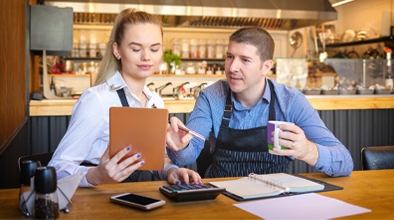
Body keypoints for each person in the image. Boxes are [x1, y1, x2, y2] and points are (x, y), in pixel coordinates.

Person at [167, 27, 353, 178]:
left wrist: (308, 151)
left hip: (275, 199)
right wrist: (180, 145)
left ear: (266, 66)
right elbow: (186, 157)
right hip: (222, 196)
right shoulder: (211, 96)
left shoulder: (290, 101)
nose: (232, 68)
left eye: (245, 60)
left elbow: (345, 162)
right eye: (230, 56)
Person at [48, 9, 201, 187]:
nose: (146, 56)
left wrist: (172, 170)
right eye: (136, 48)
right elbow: (56, 169)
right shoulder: (97, 100)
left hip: (126, 199)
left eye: (154, 48)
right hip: (92, 203)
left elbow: (153, 160)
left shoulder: (155, 102)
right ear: (117, 50)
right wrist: (96, 175)